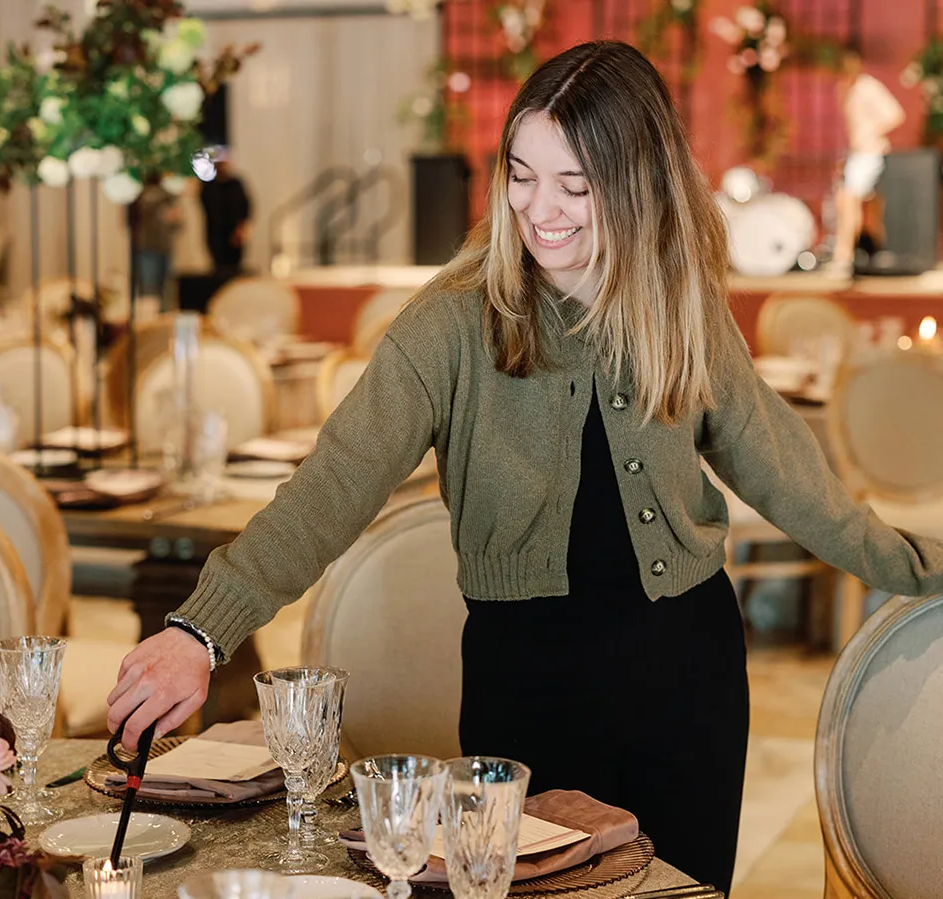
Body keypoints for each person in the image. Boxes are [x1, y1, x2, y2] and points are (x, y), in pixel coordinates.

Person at [107, 42, 943, 895]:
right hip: (528, 692)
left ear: (637, 183)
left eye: (576, 186)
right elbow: (332, 486)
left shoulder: (678, 305)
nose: (542, 210)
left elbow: (787, 472)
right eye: (522, 174)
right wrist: (201, 630)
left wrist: (918, 565)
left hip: (688, 682)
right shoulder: (450, 327)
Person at [829, 49, 906, 273]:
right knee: (866, 207)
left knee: (848, 199)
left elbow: (894, 114)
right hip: (858, 153)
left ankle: (843, 255)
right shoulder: (845, 89)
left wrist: (870, 133)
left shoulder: (867, 86)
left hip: (870, 153)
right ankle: (871, 251)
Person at [199, 149, 253, 281]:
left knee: (234, 266)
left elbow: (246, 207)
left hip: (233, 232)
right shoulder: (210, 186)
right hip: (215, 233)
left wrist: (241, 228)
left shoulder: (236, 184)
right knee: (218, 266)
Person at [132, 182, 182, 311]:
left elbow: (177, 223)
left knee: (166, 295)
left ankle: (160, 325)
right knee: (149, 294)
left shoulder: (171, 195)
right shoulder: (143, 193)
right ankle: (148, 326)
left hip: (165, 247)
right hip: (147, 248)